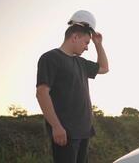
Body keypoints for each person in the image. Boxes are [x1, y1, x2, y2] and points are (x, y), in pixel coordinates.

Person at [36, 10, 109, 163]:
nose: (87, 47)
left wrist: (98, 44)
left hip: (84, 131)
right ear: (75, 37)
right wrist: (56, 127)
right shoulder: (50, 58)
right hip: (66, 133)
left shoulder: (81, 63)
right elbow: (42, 93)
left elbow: (104, 68)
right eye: (86, 43)